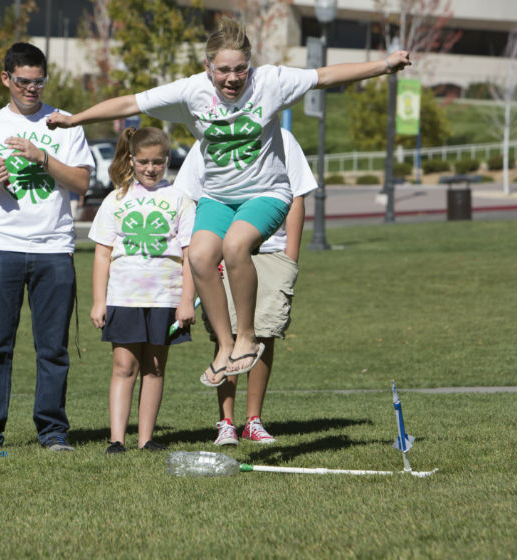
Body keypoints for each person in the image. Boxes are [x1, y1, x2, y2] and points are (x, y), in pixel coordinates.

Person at [48, 17, 410, 387]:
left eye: (240, 69)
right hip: (219, 198)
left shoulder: (272, 82)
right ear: (208, 68)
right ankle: (225, 346)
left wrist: (384, 65)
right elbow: (130, 100)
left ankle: (246, 338)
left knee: (235, 245)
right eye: (223, 70)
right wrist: (75, 119)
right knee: (202, 256)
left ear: (249, 66)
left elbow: (327, 76)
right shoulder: (191, 92)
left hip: (267, 193)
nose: (232, 78)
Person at [0, 42, 95, 453]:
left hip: (54, 250)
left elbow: (82, 184)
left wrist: (42, 157)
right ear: (6, 79)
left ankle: (52, 432)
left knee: (52, 348)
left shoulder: (63, 124)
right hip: (0, 249)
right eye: (23, 82)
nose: (31, 89)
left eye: (39, 82)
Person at [174, 128, 316, 445]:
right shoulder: (208, 139)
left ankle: (253, 420)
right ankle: (226, 422)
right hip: (224, 255)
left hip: (270, 251)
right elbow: (193, 201)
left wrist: (290, 256)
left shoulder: (281, 138)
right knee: (228, 334)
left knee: (262, 333)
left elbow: (297, 195)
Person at [88, 127, 196, 453]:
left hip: (166, 297)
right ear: (132, 159)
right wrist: (98, 301)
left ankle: (146, 439)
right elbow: (102, 253)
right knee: (124, 367)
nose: (151, 168)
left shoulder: (180, 199)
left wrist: (186, 300)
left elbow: (191, 254)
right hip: (123, 297)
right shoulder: (115, 200)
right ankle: (117, 439)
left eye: (158, 162)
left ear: (167, 161)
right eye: (144, 161)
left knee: (155, 367)